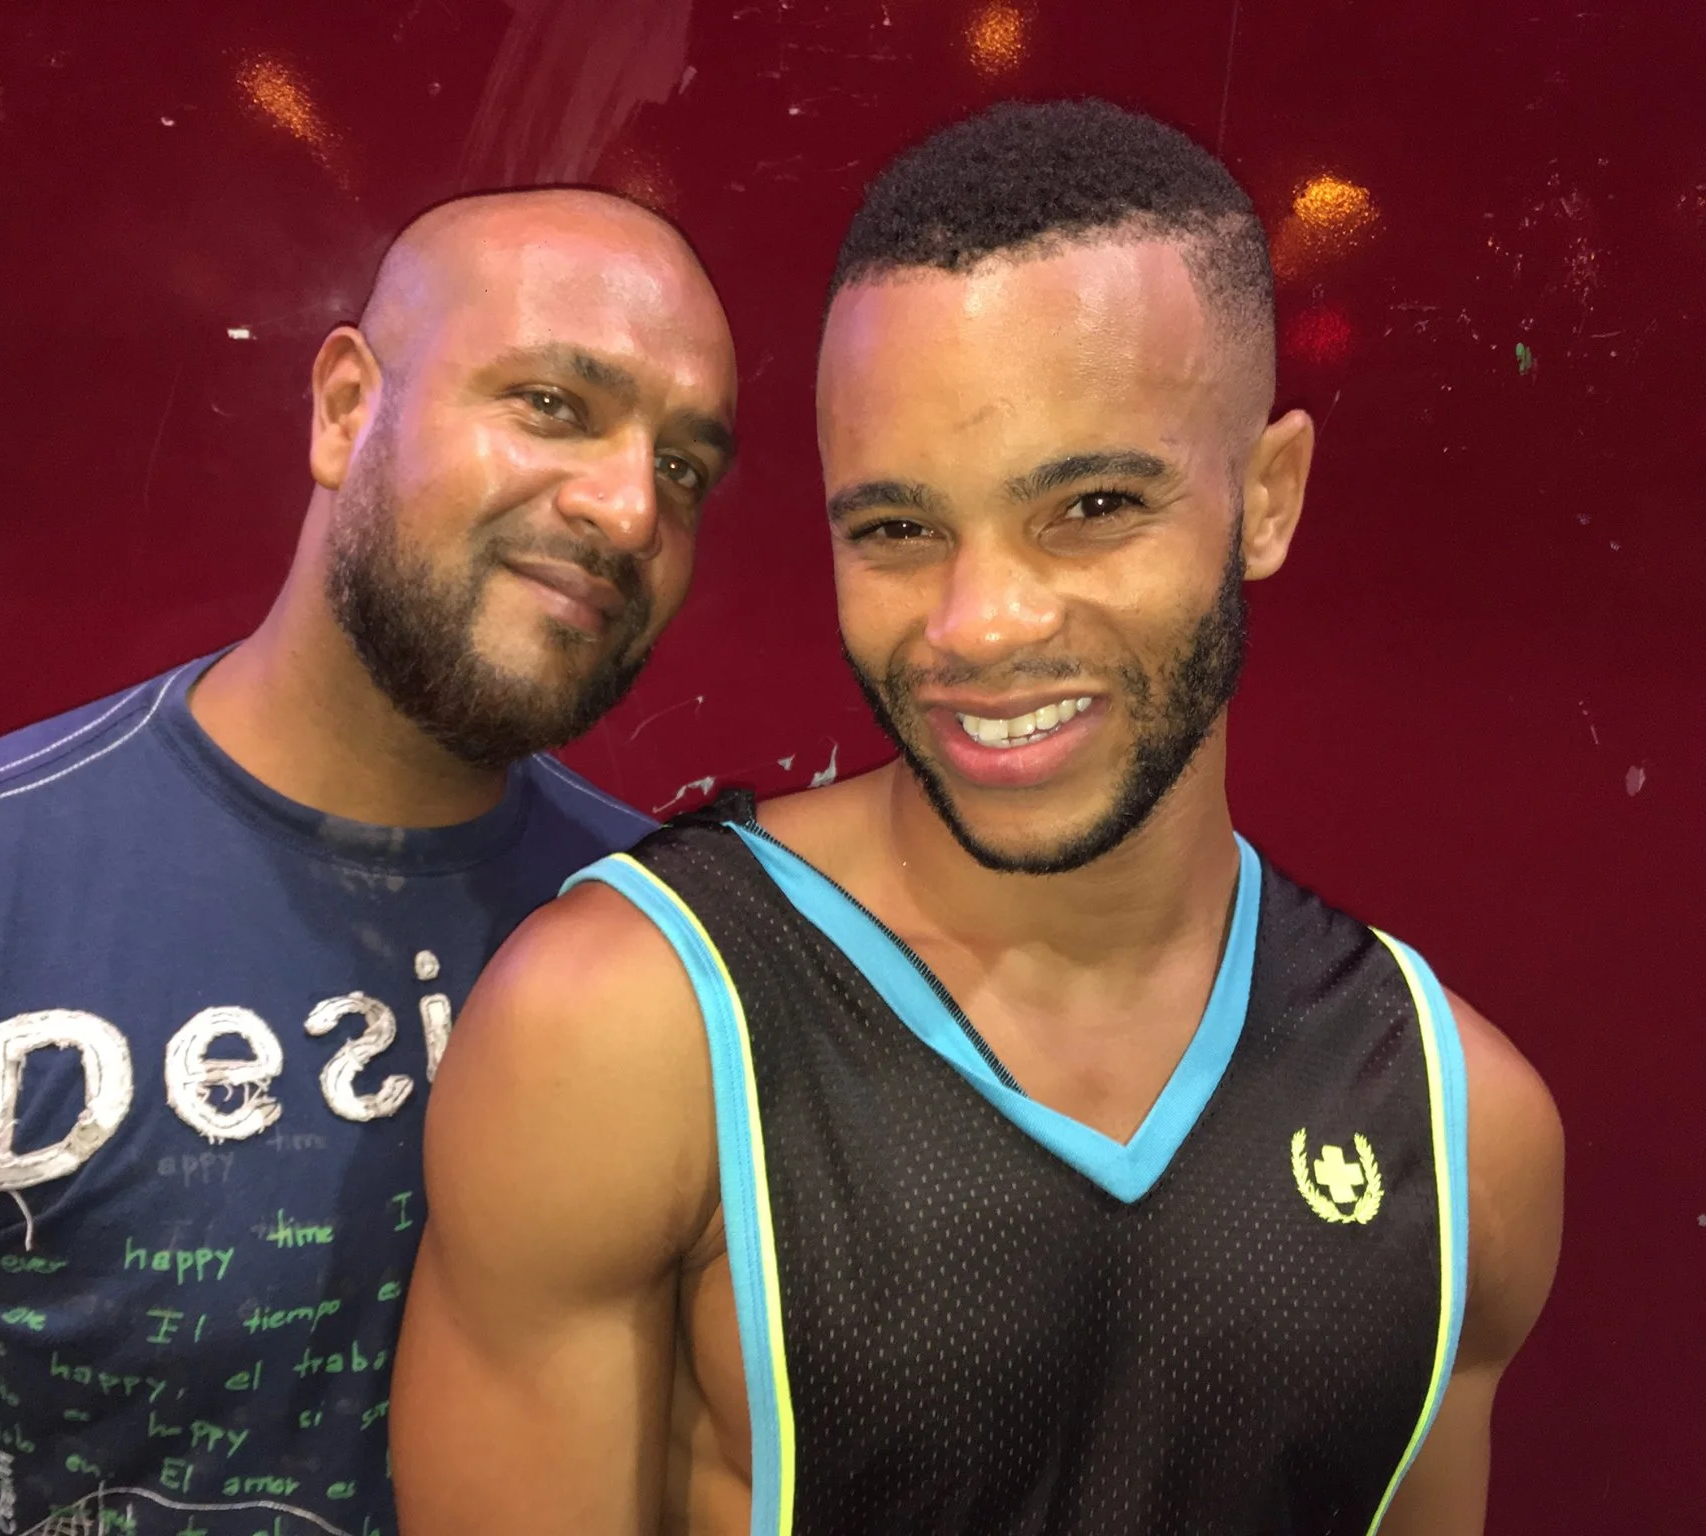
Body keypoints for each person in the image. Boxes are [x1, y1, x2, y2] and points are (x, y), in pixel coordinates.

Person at [391, 103, 1564, 1535]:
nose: (982, 624)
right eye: (899, 530)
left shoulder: (1463, 1127)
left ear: (1266, 499)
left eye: (1094, 504)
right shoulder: (621, 1031)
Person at [0, 187, 737, 1536]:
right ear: (347, 409)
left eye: (684, 468)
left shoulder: (676, 940)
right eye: (554, 406)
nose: (630, 511)